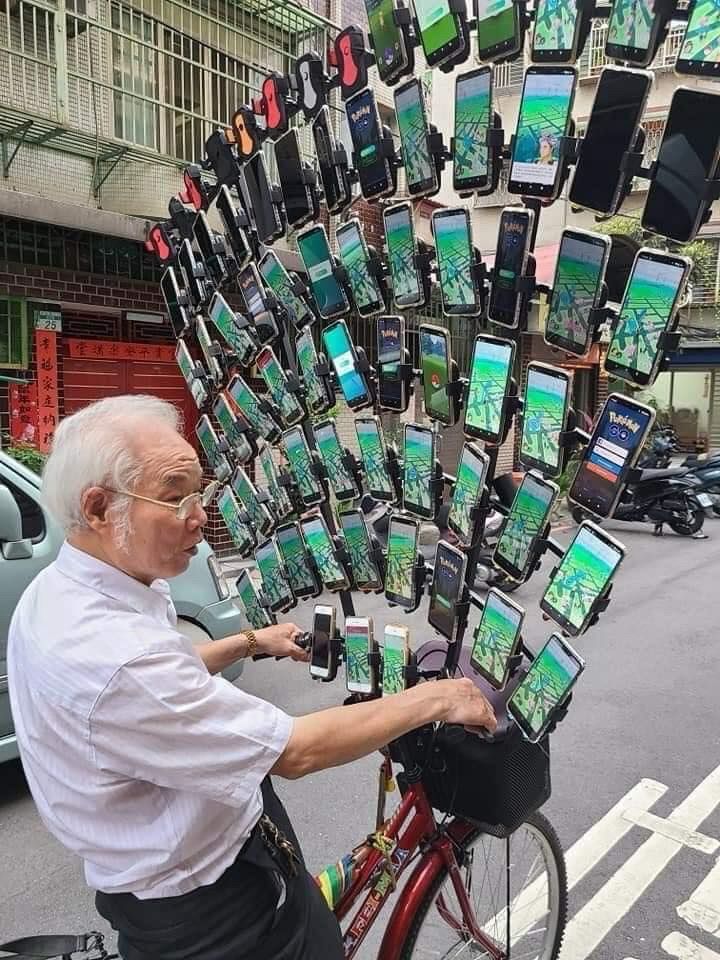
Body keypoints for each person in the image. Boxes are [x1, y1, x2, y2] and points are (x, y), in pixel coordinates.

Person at [7, 394, 497, 960]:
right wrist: (435, 698)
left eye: (200, 493)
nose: (199, 515)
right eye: (175, 497)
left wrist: (250, 642)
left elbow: (159, 686)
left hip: (185, 876)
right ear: (98, 508)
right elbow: (295, 751)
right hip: (223, 913)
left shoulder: (61, 592)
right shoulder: (116, 658)